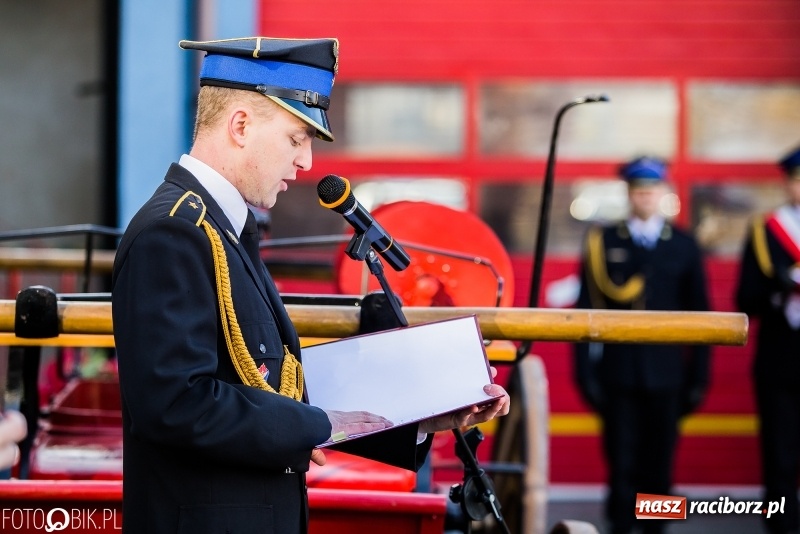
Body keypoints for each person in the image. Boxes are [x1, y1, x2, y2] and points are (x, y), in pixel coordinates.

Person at [111, 37, 510, 534]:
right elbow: (175, 403)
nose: (307, 163)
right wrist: (318, 425)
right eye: (296, 138)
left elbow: (270, 385)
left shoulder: (221, 227)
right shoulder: (174, 231)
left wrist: (417, 416)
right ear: (240, 126)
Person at [572, 156, 711, 534]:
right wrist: (585, 375)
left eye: (652, 190)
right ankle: (620, 526)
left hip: (668, 376)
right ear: (629, 194)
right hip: (618, 375)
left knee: (660, 464)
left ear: (663, 192)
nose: (645, 196)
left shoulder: (683, 244)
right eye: (638, 190)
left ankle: (656, 528)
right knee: (621, 462)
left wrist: (699, 378)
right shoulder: (604, 241)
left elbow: (703, 316)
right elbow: (584, 309)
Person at [735, 145, 800, 534]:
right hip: (781, 355)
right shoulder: (767, 230)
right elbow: (745, 299)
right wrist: (781, 287)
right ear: (788, 184)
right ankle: (781, 526)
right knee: (779, 452)